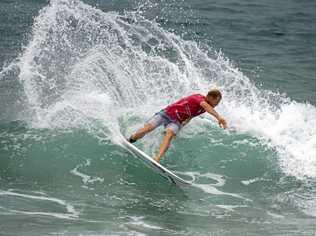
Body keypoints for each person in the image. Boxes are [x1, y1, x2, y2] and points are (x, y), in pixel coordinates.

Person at [128, 89, 228, 162]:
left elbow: (190, 116)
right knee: (147, 129)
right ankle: (131, 139)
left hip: (176, 122)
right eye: (217, 101)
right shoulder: (198, 98)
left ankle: (156, 159)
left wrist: (180, 127)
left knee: (169, 134)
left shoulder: (202, 109)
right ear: (210, 97)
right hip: (166, 114)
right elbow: (205, 106)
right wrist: (219, 117)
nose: (217, 104)